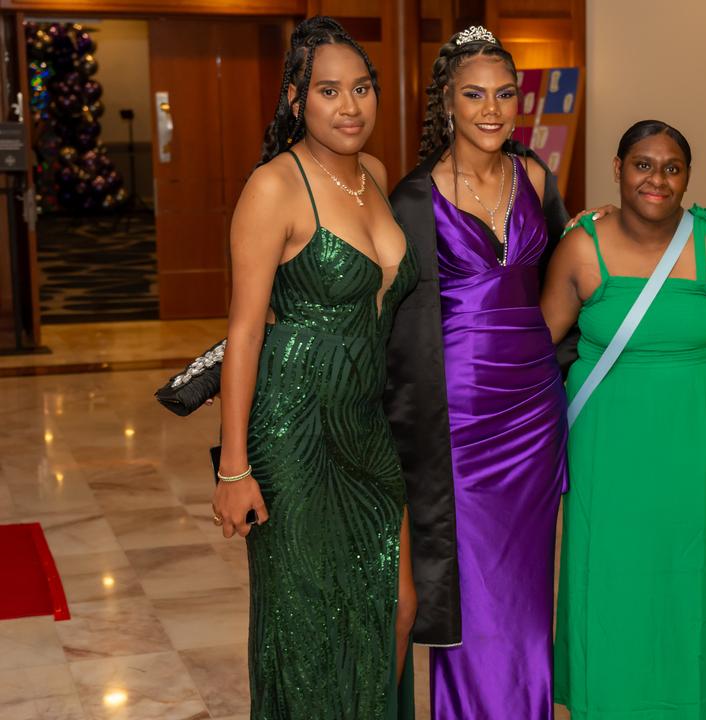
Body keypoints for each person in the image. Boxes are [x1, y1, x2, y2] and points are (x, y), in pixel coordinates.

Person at [213, 16, 417, 718]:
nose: (350, 106)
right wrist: (234, 469)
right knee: (306, 621)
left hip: (363, 419)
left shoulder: (378, 177)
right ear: (297, 100)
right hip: (293, 428)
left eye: (361, 88)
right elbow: (243, 333)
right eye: (329, 90)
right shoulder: (276, 185)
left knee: (393, 604)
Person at [543, 120, 706, 719]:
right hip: (609, 442)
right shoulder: (581, 247)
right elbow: (535, 343)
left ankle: (697, 702)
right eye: (643, 164)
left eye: (671, 167)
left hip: (701, 442)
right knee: (613, 571)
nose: (656, 179)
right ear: (617, 168)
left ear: (688, 177)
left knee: (698, 568)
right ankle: (608, 700)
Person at [383, 26, 568, 719]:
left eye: (503, 94)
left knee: (527, 587)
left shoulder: (539, 179)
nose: (491, 109)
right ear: (448, 104)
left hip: (532, 414)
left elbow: (566, 282)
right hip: (457, 419)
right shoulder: (412, 199)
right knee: (472, 586)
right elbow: (394, 329)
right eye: (473, 95)